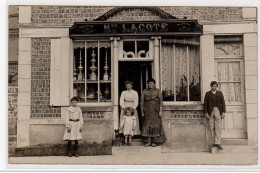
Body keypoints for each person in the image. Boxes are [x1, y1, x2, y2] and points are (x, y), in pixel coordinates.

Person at [141, 78, 164, 147]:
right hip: (147, 111)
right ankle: (148, 141)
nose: (150, 85)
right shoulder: (144, 91)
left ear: (154, 84)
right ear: (147, 84)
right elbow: (142, 103)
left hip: (155, 111)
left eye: (152, 83)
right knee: (147, 125)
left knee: (155, 126)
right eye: (149, 83)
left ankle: (154, 142)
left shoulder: (158, 91)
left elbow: (161, 102)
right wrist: (142, 112)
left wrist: (160, 111)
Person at [204, 81, 226, 150]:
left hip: (218, 111)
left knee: (218, 127)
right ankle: (213, 142)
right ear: (211, 86)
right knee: (212, 127)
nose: (215, 87)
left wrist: (223, 112)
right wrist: (206, 112)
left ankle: (218, 142)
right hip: (210, 112)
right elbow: (205, 104)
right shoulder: (207, 94)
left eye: (216, 86)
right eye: (213, 86)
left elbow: (223, 103)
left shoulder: (220, 93)